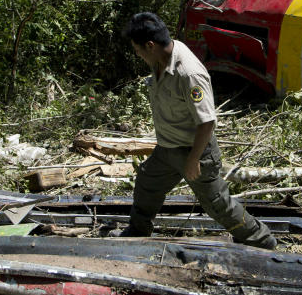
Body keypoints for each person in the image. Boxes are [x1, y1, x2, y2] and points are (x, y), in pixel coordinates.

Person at [115, 12, 278, 249]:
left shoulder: (188, 73)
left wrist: (193, 159)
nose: (137, 54)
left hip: (195, 151)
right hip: (168, 148)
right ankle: (138, 230)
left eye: (138, 50)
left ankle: (263, 241)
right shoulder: (160, 59)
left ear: (150, 45)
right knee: (147, 183)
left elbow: (207, 121)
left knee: (216, 203)